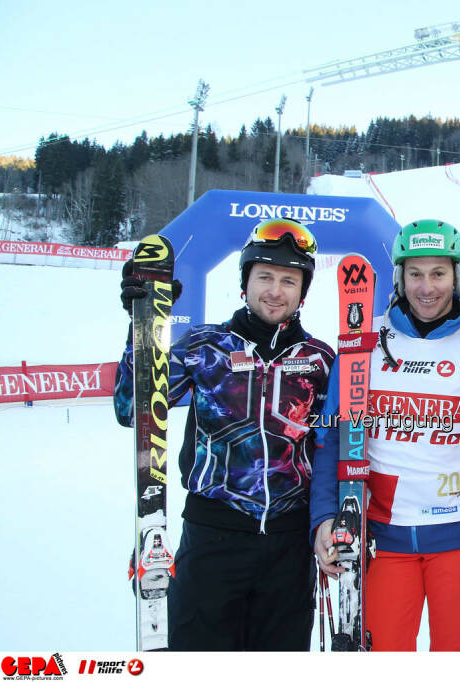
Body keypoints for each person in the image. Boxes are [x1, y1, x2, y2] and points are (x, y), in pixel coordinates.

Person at [114, 218, 335, 651]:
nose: (275, 290)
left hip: (289, 549)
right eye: (265, 276)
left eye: (289, 280)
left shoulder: (319, 360)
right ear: (245, 282)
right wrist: (140, 328)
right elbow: (131, 410)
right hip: (214, 537)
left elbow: (336, 445)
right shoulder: (205, 346)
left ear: (302, 291)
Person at [310, 219, 460, 651]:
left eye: (438, 273)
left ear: (457, 277)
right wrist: (324, 517)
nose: (427, 287)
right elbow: (331, 439)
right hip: (381, 540)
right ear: (400, 279)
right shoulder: (363, 342)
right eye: (415, 274)